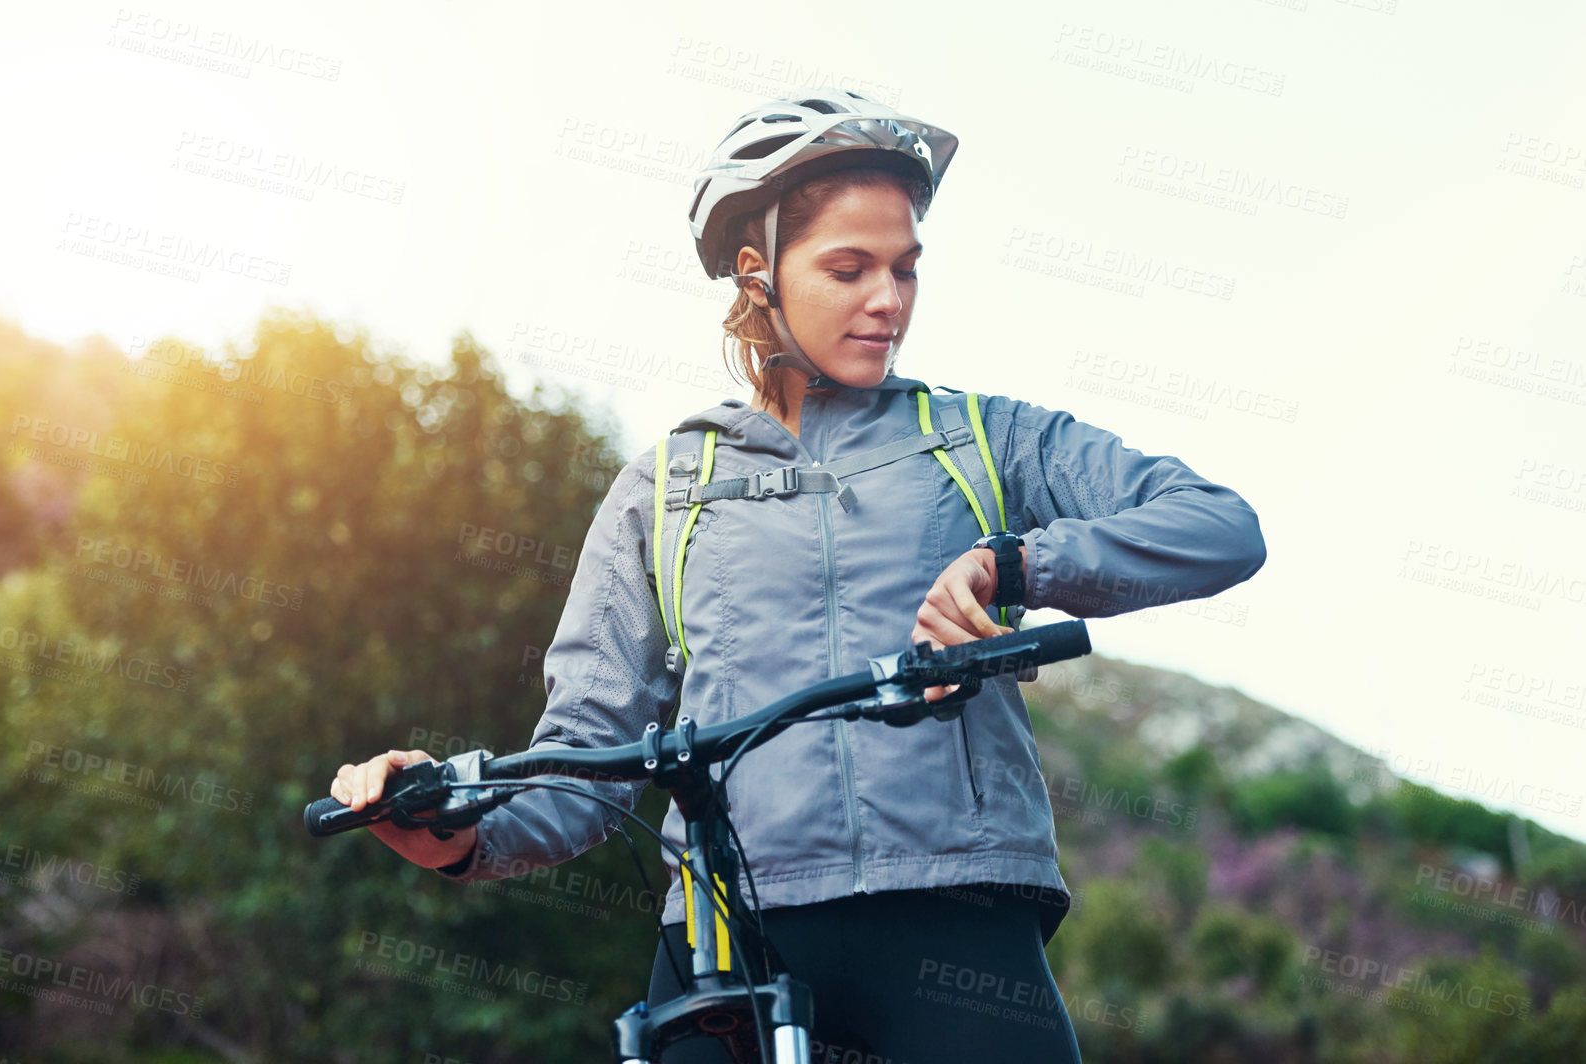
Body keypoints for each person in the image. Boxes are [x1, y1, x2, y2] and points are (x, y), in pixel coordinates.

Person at [330, 88, 1267, 1061]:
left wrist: (1015, 561)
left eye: (904, 269)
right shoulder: (665, 489)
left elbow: (1219, 527)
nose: (888, 300)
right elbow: (581, 756)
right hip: (725, 938)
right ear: (757, 271)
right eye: (848, 268)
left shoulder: (982, 439)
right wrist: (450, 830)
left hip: (953, 915)